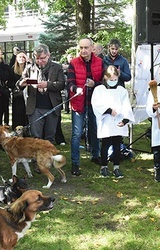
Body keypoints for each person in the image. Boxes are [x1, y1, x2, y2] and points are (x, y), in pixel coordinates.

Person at [67, 37, 104, 176]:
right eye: (81, 48)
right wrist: (75, 88)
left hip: (94, 103)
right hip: (78, 103)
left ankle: (96, 155)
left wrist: (94, 84)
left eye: (86, 47)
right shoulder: (73, 63)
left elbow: (105, 82)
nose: (83, 50)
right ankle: (75, 162)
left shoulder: (100, 62)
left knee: (94, 130)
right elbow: (69, 83)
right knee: (76, 134)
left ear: (92, 48)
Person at [91, 65, 134, 178]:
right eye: (111, 80)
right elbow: (96, 103)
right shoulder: (99, 89)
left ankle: (116, 167)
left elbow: (126, 105)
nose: (113, 82)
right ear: (105, 77)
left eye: (115, 80)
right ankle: (104, 166)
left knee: (117, 144)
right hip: (106, 120)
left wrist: (125, 119)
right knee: (105, 144)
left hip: (118, 121)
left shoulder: (121, 90)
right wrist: (109, 110)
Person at [17, 44, 65, 142]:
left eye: (42, 58)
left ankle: (48, 157)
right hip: (35, 107)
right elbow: (19, 83)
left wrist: (47, 84)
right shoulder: (30, 67)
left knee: (50, 137)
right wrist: (22, 83)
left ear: (48, 55)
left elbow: (61, 84)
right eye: (37, 58)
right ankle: (36, 157)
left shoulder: (57, 67)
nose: (40, 61)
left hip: (52, 106)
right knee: (35, 137)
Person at [8, 50, 29, 130]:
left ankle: (27, 131)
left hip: (28, 94)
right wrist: (19, 85)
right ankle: (17, 131)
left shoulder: (29, 68)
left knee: (27, 113)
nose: (22, 58)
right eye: (20, 57)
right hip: (17, 95)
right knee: (18, 114)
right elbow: (9, 83)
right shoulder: (12, 69)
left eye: (23, 57)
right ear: (16, 58)